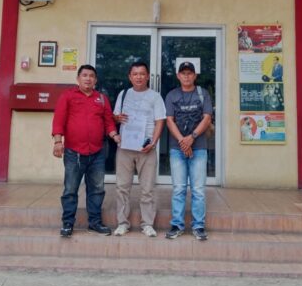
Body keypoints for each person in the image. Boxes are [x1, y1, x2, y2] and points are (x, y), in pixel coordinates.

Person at [52, 64, 120, 238]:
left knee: (97, 189)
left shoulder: (102, 99)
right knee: (70, 189)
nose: (88, 78)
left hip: (97, 152)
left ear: (95, 80)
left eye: (91, 76)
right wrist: (58, 142)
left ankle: (95, 223)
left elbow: (108, 122)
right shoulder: (68, 96)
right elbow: (59, 120)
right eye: (84, 75)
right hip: (73, 152)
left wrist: (114, 135)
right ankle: (68, 223)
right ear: (78, 78)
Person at [112, 61, 166, 237]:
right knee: (122, 186)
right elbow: (115, 116)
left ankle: (147, 224)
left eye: (142, 74)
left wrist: (154, 142)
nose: (139, 77)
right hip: (125, 147)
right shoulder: (123, 94)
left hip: (146, 147)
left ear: (148, 76)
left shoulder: (155, 97)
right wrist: (117, 118)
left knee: (147, 188)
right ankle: (122, 223)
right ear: (130, 77)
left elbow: (160, 121)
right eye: (135, 74)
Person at [164, 61, 213, 241]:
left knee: (198, 189)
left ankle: (198, 226)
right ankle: (177, 224)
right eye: (183, 73)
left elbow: (207, 118)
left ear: (195, 75)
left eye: (189, 73)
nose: (186, 76)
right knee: (179, 188)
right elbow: (169, 120)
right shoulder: (172, 95)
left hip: (198, 148)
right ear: (178, 76)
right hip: (177, 149)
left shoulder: (202, 93)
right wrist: (182, 141)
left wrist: (191, 138)